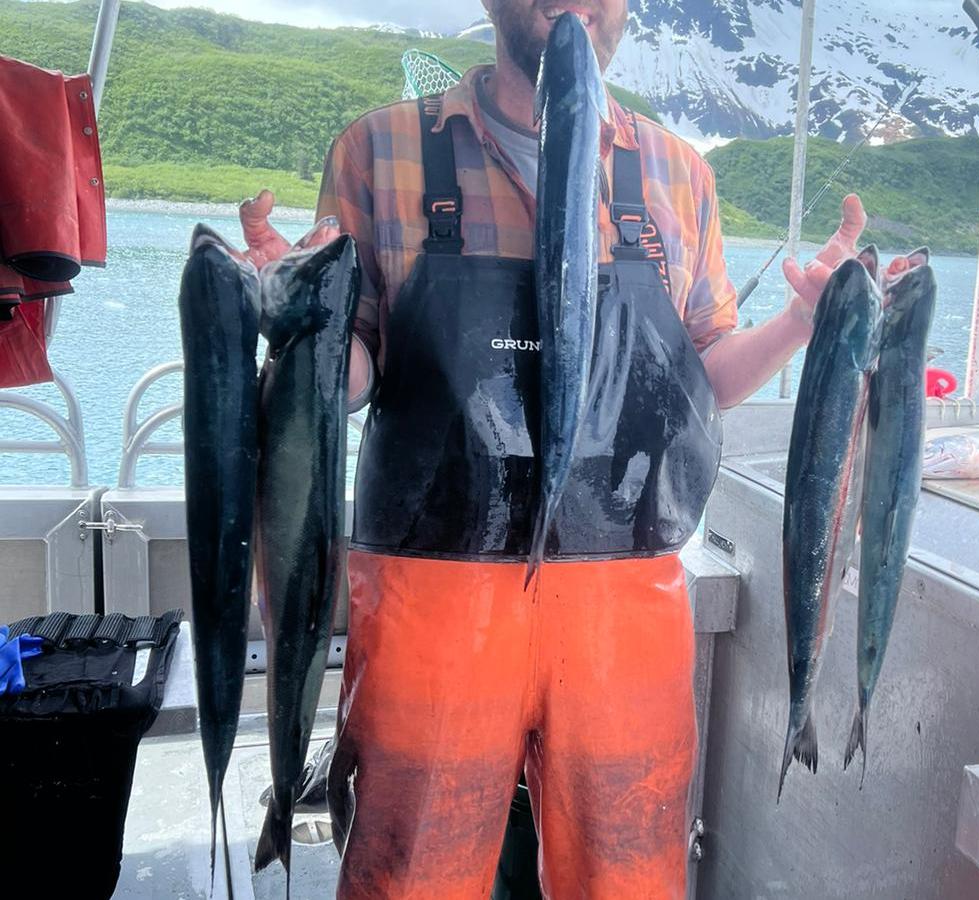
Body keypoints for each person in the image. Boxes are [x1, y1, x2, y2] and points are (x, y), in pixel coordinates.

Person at [239, 2, 889, 896]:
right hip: (433, 594)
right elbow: (352, 377)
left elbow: (702, 375)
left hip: (625, 597)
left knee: (628, 874)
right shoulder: (379, 150)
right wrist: (299, 320)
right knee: (408, 876)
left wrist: (800, 323)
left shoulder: (677, 172)